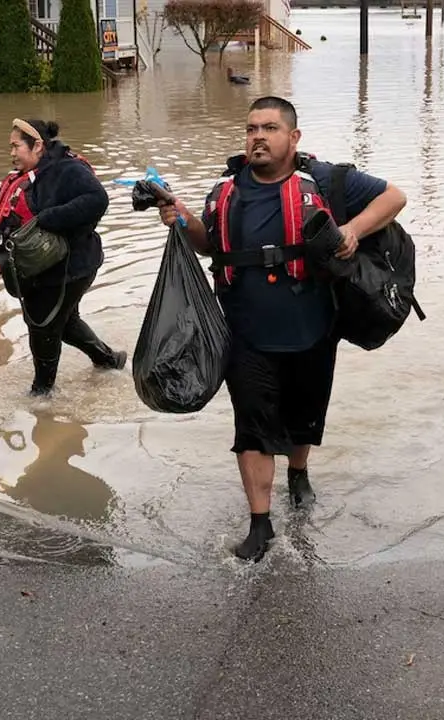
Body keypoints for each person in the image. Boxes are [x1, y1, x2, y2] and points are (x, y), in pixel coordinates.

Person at [157, 96, 407, 562]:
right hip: (244, 332)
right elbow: (211, 245)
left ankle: (298, 472)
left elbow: (394, 197)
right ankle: (260, 523)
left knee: (304, 418)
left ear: (293, 138)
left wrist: (351, 229)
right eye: (251, 128)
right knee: (252, 426)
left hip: (312, 327)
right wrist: (181, 218)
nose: (257, 136)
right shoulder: (226, 189)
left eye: (269, 128)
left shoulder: (330, 181)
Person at [0, 119, 125, 396]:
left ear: (38, 145)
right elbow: (24, 200)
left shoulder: (68, 169)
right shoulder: (36, 169)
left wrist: (48, 219)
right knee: (64, 322)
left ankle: (42, 395)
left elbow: (98, 199)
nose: (12, 153)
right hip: (53, 267)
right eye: (11, 147)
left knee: (41, 325)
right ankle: (109, 361)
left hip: (67, 269)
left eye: (16, 146)